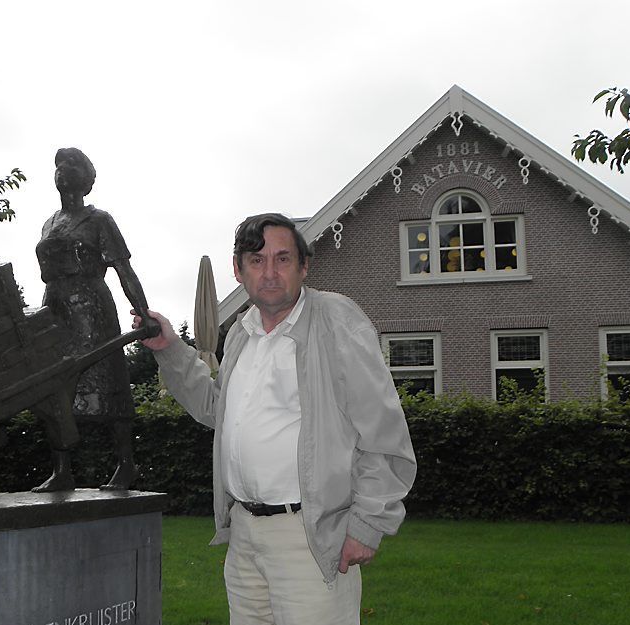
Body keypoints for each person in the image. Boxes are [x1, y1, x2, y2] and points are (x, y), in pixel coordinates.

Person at [133, 213, 416, 624]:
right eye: (256, 260)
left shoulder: (336, 321)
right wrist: (172, 350)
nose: (269, 272)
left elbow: (383, 430)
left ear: (304, 267)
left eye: (282, 259)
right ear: (238, 270)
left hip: (310, 537)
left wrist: (368, 523)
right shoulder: (242, 334)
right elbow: (219, 411)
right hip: (244, 536)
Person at [34, 147, 159, 492]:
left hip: (91, 309)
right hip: (54, 308)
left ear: (86, 177)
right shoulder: (49, 223)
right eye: (57, 166)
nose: (61, 170)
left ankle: (126, 464)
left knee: (106, 386)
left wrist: (143, 312)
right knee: (54, 387)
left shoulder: (99, 220)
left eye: (70, 165)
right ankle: (62, 470)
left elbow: (124, 270)